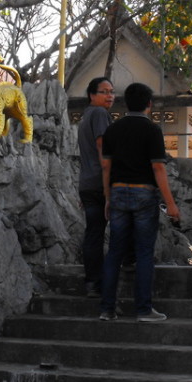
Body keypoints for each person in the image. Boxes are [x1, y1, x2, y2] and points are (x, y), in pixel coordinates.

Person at [99, 82, 180, 323]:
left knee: (114, 252)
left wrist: (107, 198)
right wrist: (171, 204)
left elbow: (106, 166)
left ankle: (107, 309)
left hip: (118, 193)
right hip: (144, 194)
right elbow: (158, 167)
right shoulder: (152, 130)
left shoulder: (113, 130)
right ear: (149, 104)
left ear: (126, 103)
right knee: (144, 253)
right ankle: (143, 310)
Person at [77, 76, 114, 297]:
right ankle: (106, 280)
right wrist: (108, 187)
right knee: (111, 231)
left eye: (112, 91)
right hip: (101, 182)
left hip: (86, 183)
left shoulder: (86, 116)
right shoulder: (99, 114)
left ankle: (92, 282)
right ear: (92, 95)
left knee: (93, 233)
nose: (110, 95)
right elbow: (102, 149)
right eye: (104, 91)